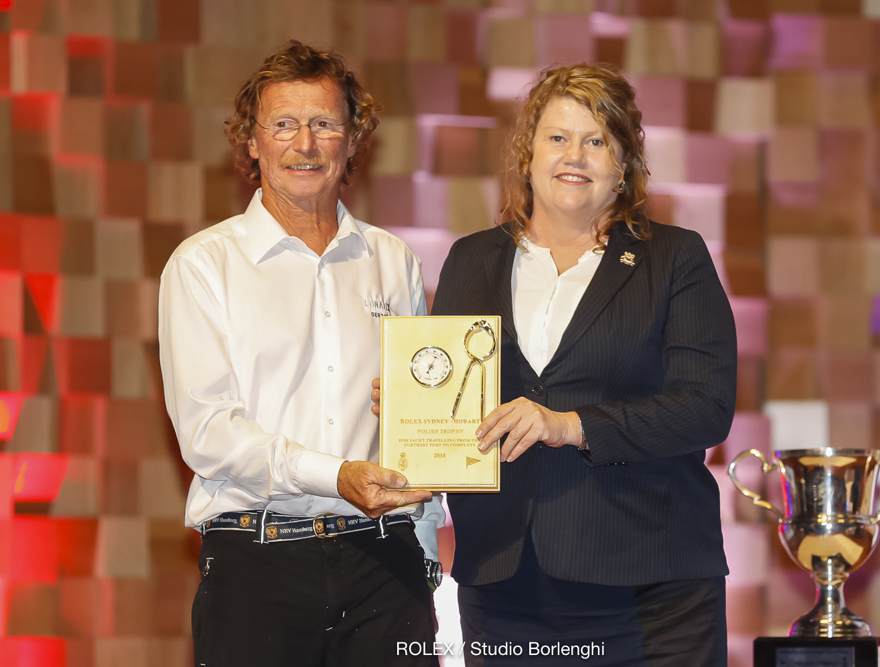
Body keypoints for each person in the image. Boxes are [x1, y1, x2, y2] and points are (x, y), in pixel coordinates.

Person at [433, 64, 737, 665]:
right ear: (527, 154)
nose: (575, 154)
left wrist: (569, 424)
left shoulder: (675, 258)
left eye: (597, 140)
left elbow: (706, 408)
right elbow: (454, 400)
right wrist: (413, 407)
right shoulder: (469, 260)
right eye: (557, 137)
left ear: (623, 164)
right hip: (504, 580)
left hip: (651, 588)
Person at [158, 41, 443, 667]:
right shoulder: (205, 265)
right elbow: (209, 432)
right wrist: (333, 474)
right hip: (256, 568)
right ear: (252, 142)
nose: (305, 144)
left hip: (386, 567)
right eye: (284, 124)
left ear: (351, 141)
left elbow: (420, 429)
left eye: (324, 124)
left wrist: (427, 560)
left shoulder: (394, 263)